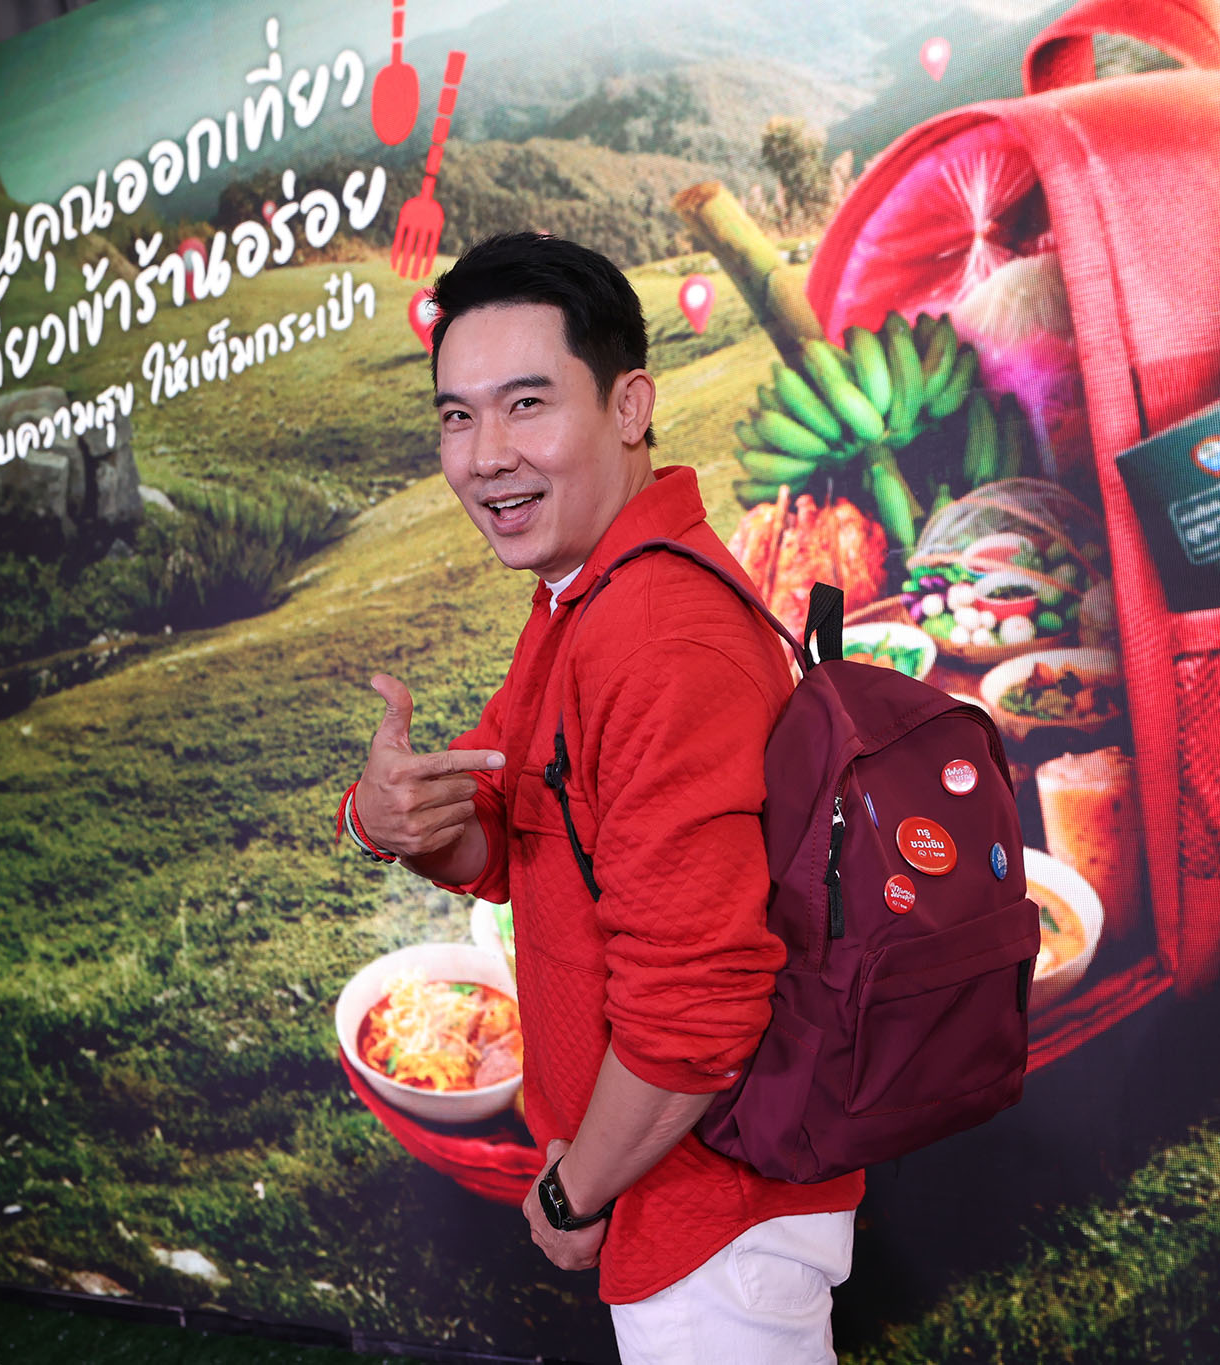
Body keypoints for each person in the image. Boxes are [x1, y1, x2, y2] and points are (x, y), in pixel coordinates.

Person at [341, 232, 864, 1361]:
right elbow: (504, 827)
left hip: (714, 1218)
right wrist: (390, 819)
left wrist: (572, 1192)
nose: (486, 456)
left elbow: (696, 1016)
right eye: (457, 416)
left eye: (526, 404)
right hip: (674, 1196)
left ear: (630, 406)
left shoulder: (658, 636)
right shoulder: (587, 596)